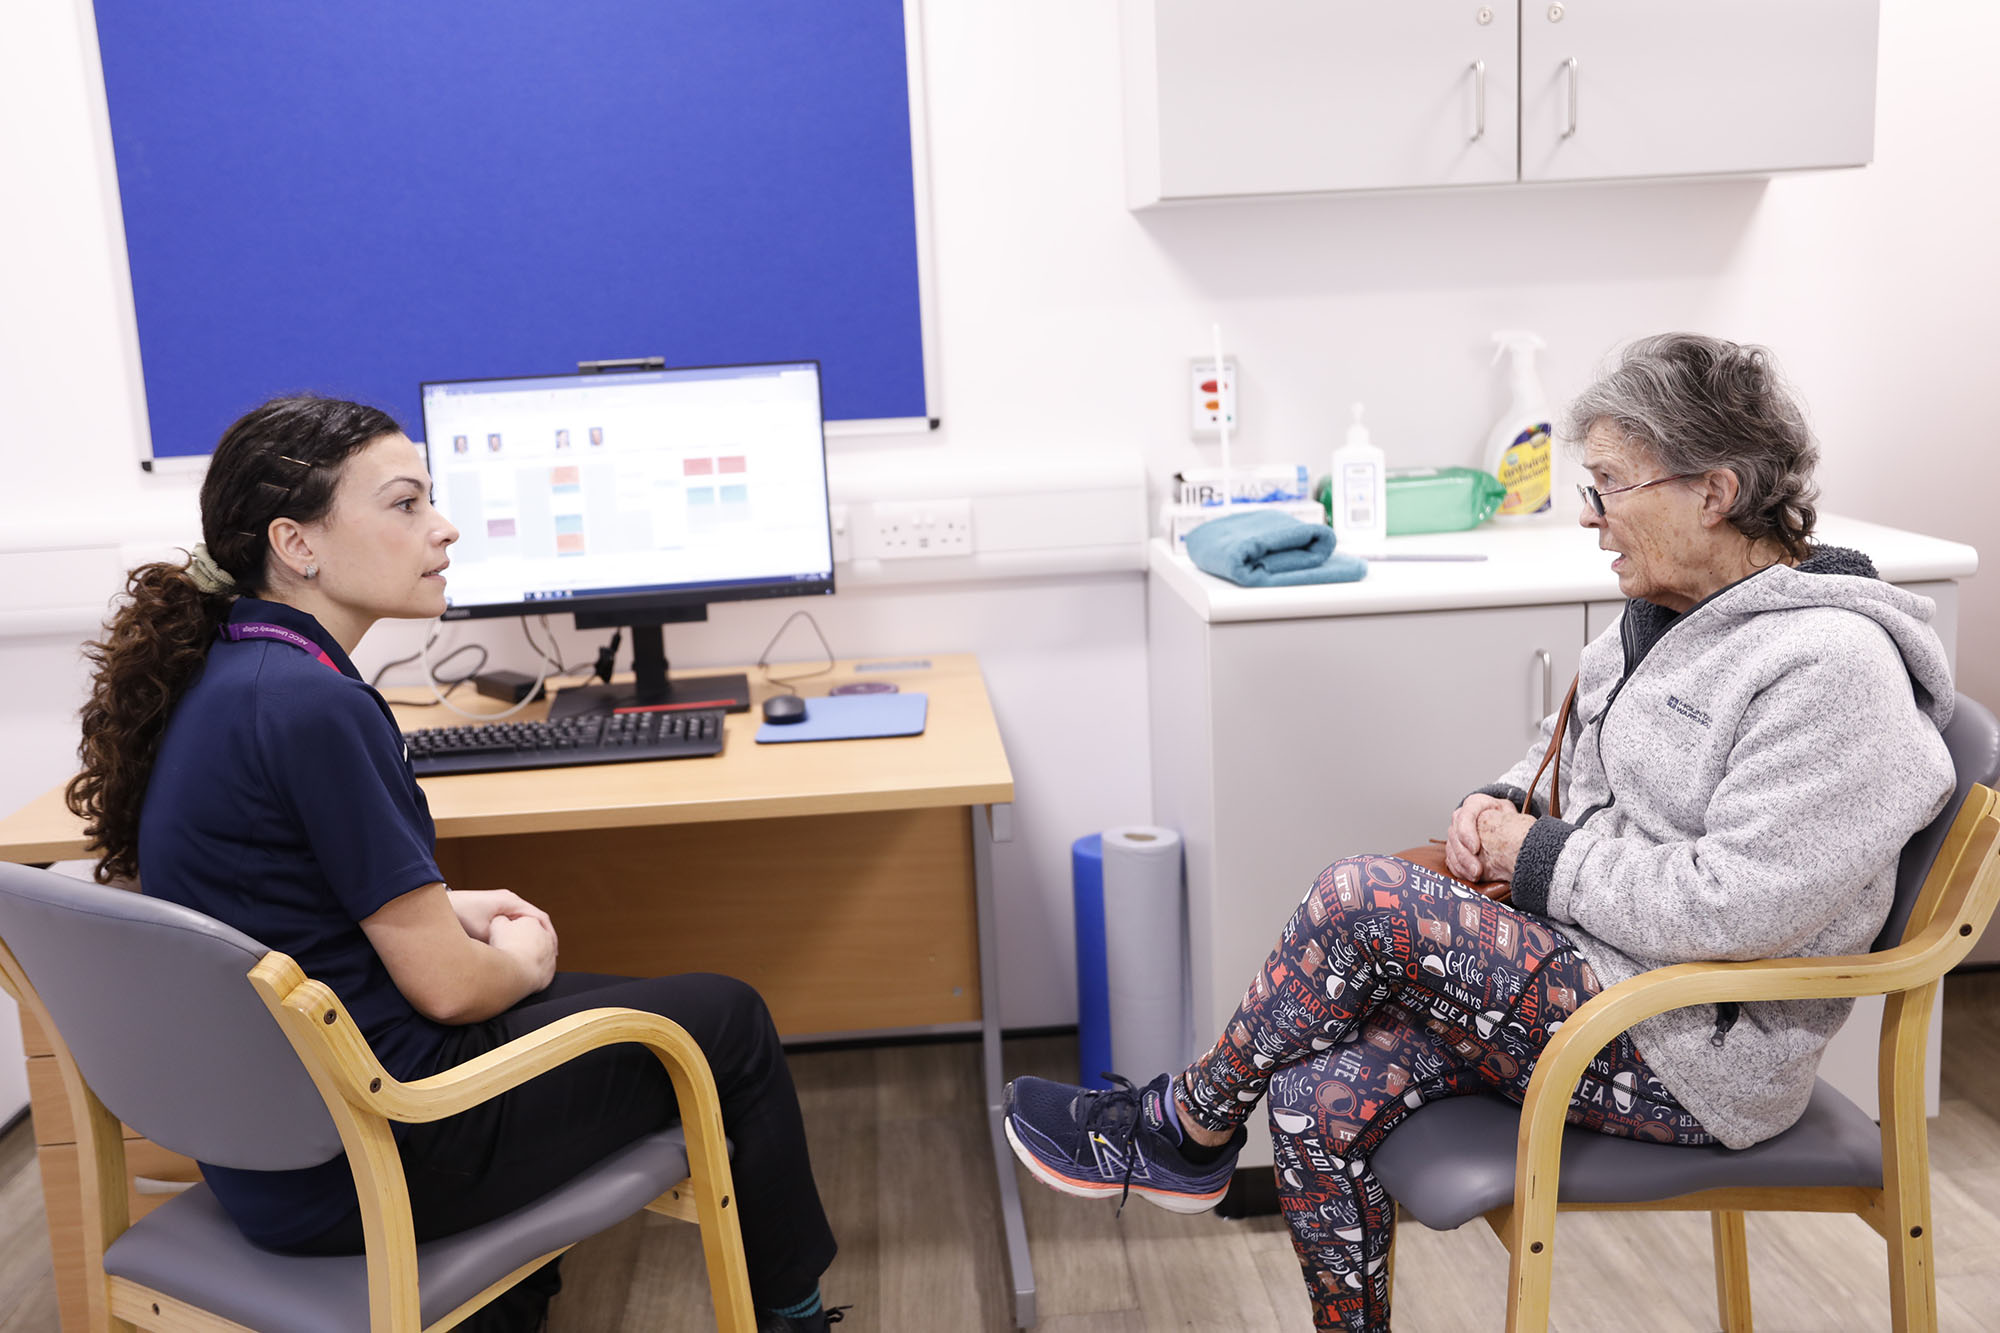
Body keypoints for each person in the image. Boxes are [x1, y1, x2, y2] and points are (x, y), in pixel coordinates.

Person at [1004, 333, 1957, 1332]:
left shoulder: (1828, 669)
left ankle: (1185, 1125)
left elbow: (1734, 904)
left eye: (1608, 487)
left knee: (1358, 897)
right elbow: (1560, 752)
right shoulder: (1667, 613)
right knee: (1314, 1095)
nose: (1590, 520)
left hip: (1693, 1049)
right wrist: (1495, 804)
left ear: (1711, 491)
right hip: (1595, 981)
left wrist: (1529, 857)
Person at [65, 397, 840, 1333]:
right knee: (728, 1025)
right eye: (404, 504)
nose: (444, 526)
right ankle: (794, 1317)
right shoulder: (319, 708)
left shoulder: (227, 672)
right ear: (296, 543)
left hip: (270, 1153)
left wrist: (439, 900)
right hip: (383, 1147)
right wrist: (523, 958)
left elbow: (275, 891)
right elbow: (450, 992)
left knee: (643, 1005)